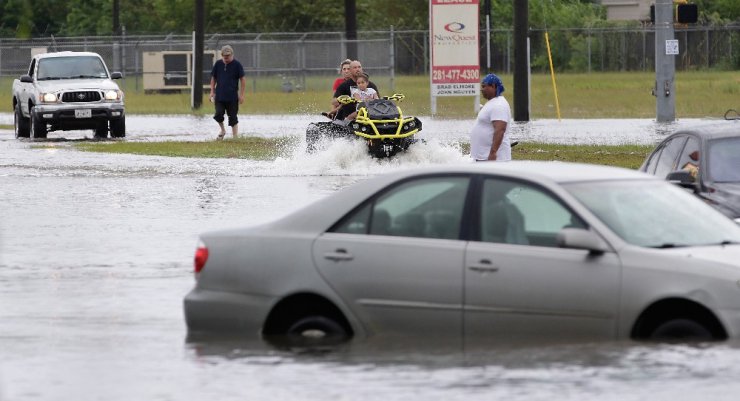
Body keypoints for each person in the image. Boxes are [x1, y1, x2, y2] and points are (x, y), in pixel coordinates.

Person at [470, 73, 512, 161]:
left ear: (493, 86)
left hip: (495, 160)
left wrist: (493, 153)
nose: (482, 89)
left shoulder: (499, 105)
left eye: (484, 86)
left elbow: (500, 130)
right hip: (484, 158)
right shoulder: (493, 102)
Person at [209, 45, 246, 140]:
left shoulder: (237, 65)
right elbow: (213, 78)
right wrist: (212, 92)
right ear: (222, 55)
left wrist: (241, 95)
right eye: (224, 56)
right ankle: (222, 130)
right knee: (218, 114)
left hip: (232, 97)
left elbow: (242, 80)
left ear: (232, 55)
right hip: (220, 96)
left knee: (233, 117)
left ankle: (235, 138)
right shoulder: (218, 64)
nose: (226, 58)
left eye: (228, 56)